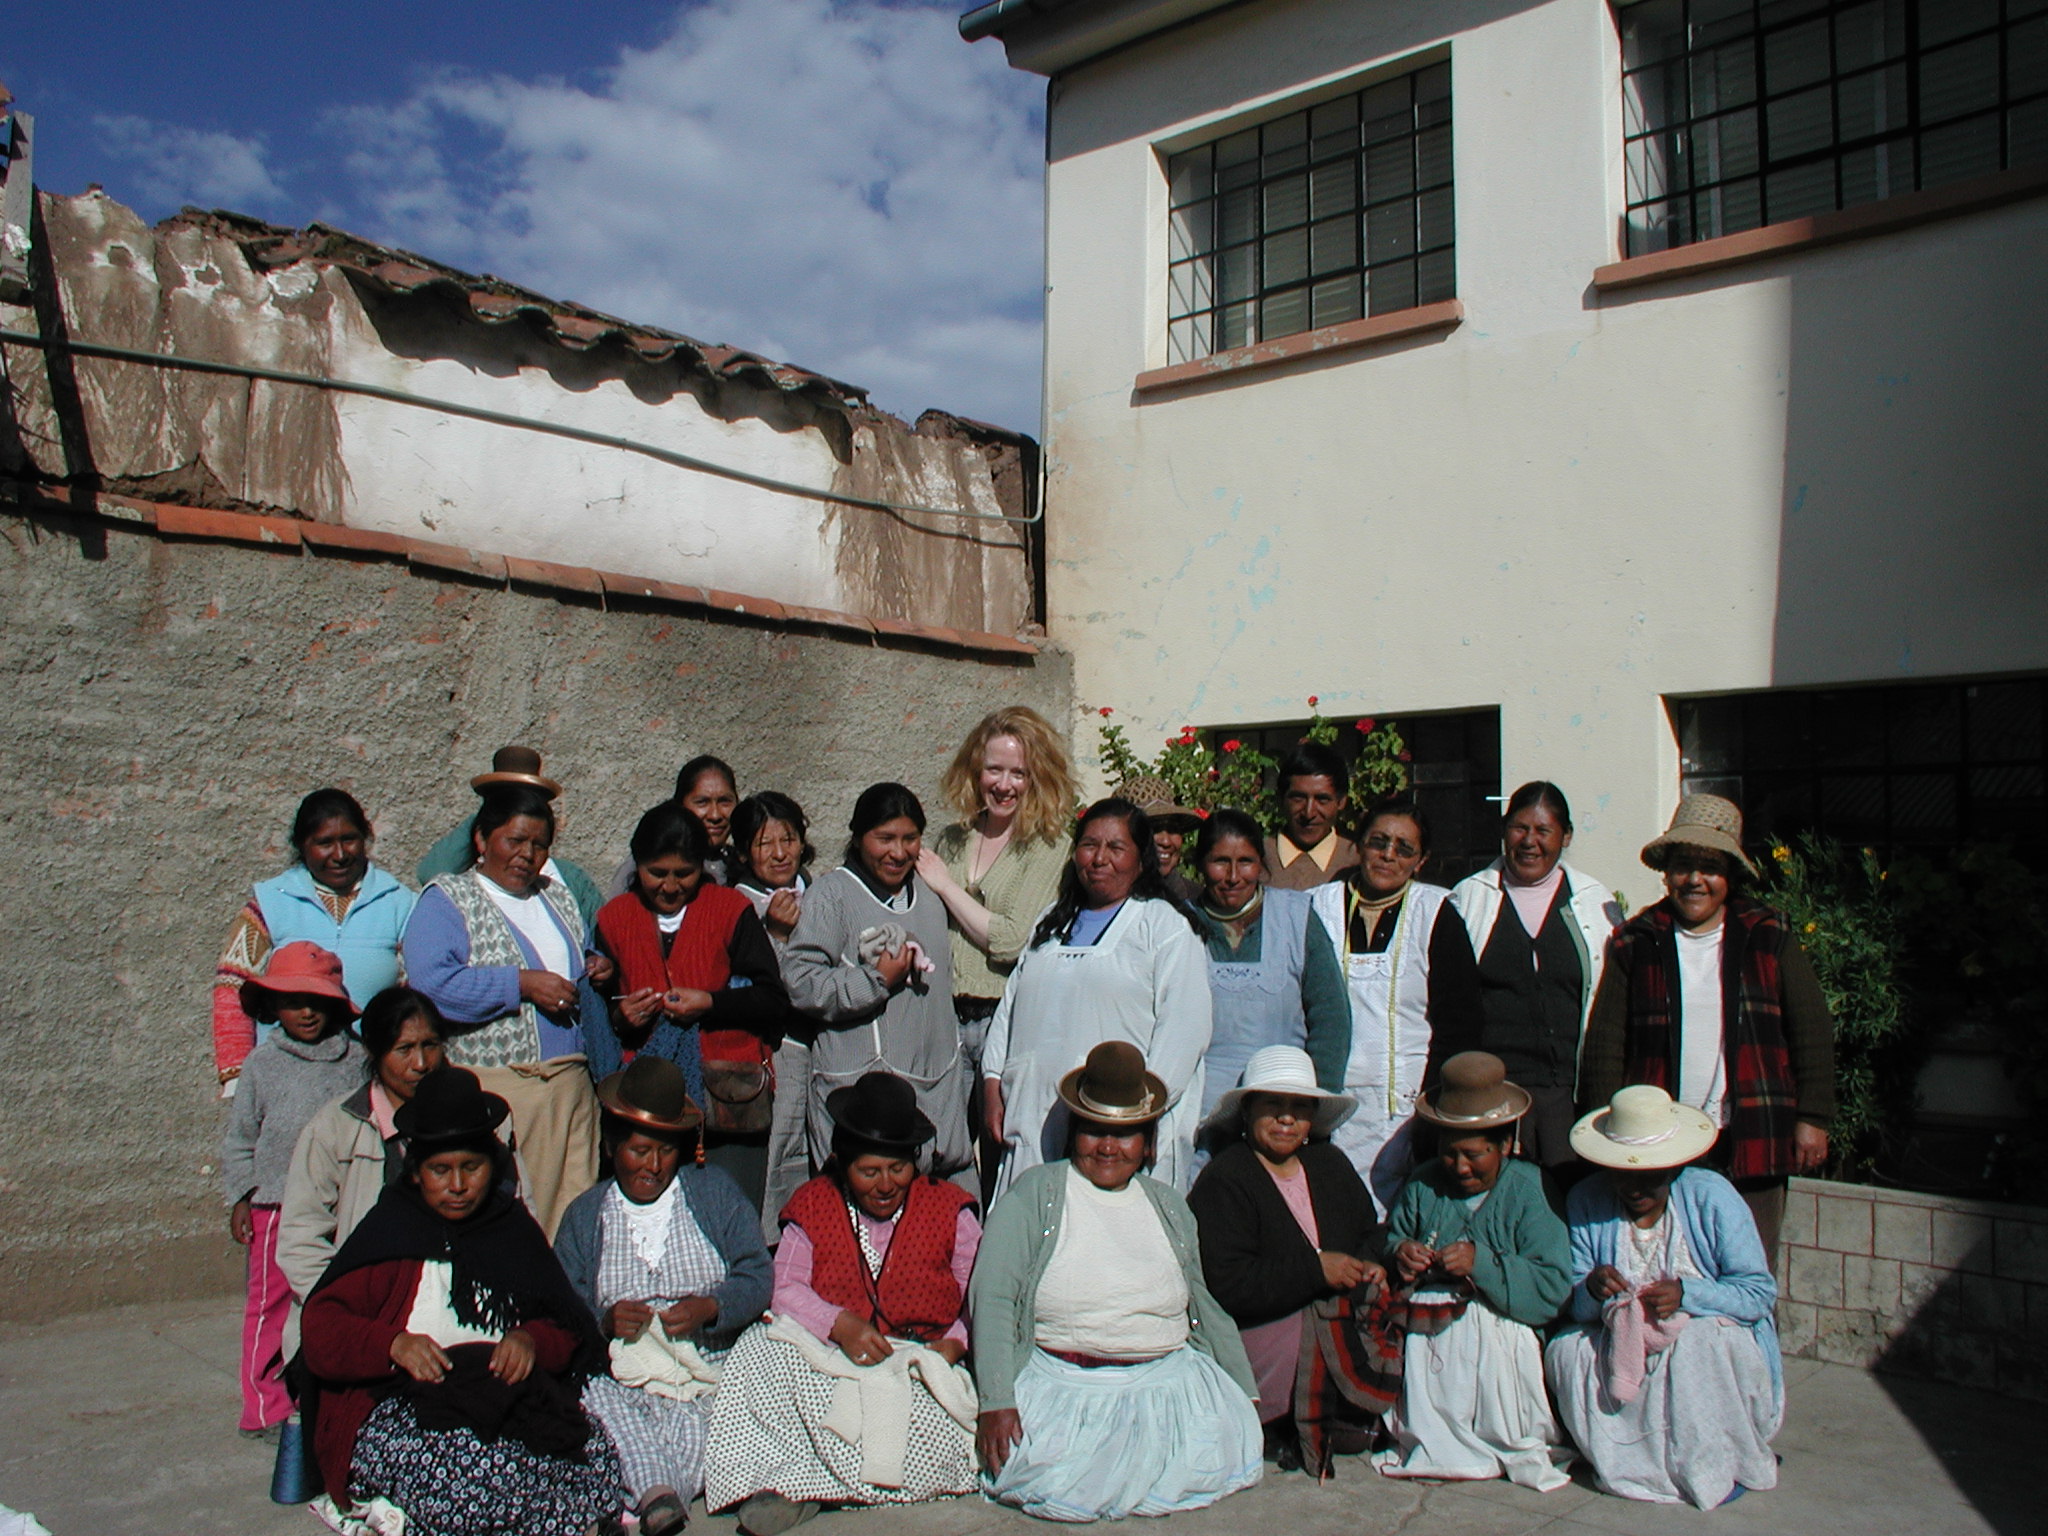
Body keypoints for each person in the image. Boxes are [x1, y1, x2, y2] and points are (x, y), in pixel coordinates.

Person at [296, 1067, 623, 1536]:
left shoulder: (511, 1229)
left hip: (502, 1397)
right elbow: (322, 1330)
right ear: (415, 1171)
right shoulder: (389, 1230)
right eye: (440, 1170)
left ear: (492, 1165)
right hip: (400, 1405)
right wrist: (391, 1345)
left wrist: (529, 1340)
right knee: (472, 1482)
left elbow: (565, 1322)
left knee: (595, 1456)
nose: (457, 1185)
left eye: (471, 1168)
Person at [972, 1042, 1262, 1522]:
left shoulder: (1168, 1205)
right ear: (1073, 1134)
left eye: (1125, 1135)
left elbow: (1203, 1304)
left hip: (1169, 1390)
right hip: (1067, 1391)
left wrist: (1243, 1391)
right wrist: (997, 1401)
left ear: (1147, 1142)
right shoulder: (1036, 1194)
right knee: (1054, 1479)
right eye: (1094, 1132)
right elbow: (995, 1296)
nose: (1109, 1147)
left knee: (1217, 1453)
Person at [707, 1072, 982, 1534]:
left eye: (898, 1169)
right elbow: (785, 1286)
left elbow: (979, 1296)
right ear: (841, 1162)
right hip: (833, 1357)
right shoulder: (814, 1202)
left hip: (920, 1363)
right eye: (868, 1171)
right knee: (759, 1347)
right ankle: (790, 1482)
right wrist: (839, 1324)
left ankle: (815, 1488)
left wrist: (954, 1344)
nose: (885, 1184)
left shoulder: (950, 1209)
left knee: (925, 1425)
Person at [1579, 794, 1836, 1264]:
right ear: (1666, 872)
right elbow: (1606, 1042)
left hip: (1750, 1134)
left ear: (1729, 877)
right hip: (1659, 1143)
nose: (1695, 880)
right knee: (1668, 1267)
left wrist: (1813, 1117)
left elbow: (1811, 1029)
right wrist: (1604, 1130)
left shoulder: (1766, 933)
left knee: (1748, 1268)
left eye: (1709, 867)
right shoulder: (1638, 940)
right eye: (1683, 865)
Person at [554, 1058, 774, 1536]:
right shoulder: (586, 1215)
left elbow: (757, 1274)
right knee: (596, 1400)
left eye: (665, 1152)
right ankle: (660, 1495)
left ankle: (660, 1491)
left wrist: (712, 1307)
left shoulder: (713, 1193)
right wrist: (604, 1320)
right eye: (639, 1150)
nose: (653, 1166)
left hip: (708, 1373)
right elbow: (562, 1306)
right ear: (612, 1146)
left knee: (727, 1404)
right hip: (626, 1383)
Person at [1546, 1085, 1782, 1509]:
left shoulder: (1712, 1197)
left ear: (1673, 1168)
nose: (1635, 1189)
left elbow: (1758, 1294)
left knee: (1696, 1344)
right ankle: (1627, 1460)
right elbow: (1573, 1304)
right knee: (1567, 1351)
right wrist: (1593, 1291)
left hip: (1703, 1336)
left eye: (1649, 1176)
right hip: (1623, 1338)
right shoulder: (1587, 1200)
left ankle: (1702, 1462)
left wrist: (1688, 1295)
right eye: (1623, 1174)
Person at [403, 783, 607, 1238]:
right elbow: (433, 984)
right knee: (514, 1220)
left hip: (571, 1087)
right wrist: (519, 984)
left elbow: (581, 952)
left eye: (538, 845)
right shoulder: (449, 899)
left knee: (573, 1220)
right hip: (505, 1088)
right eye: (514, 841)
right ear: (481, 840)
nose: (526, 855)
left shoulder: (556, 896)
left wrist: (597, 965)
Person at [981, 798, 1213, 1194]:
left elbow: (1184, 1030)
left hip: (1114, 1127)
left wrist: (1143, 1114)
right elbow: (1011, 1008)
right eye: (1089, 845)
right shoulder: (1051, 923)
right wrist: (992, 1082)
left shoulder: (1163, 927)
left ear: (1141, 861)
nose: (1099, 858)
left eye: (1116, 848)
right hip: (1031, 1111)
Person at [1373, 1053, 1572, 1490]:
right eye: (1449, 1153)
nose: (1460, 1167)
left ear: (1504, 1145)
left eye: (1474, 1154)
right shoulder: (1424, 1183)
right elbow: (1392, 1241)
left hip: (1503, 1338)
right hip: (1429, 1340)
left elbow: (1554, 1287)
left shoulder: (1530, 1189)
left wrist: (1482, 1263)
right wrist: (1400, 1252)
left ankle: (1489, 1437)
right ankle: (1435, 1435)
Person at [1187, 1046, 1381, 1477]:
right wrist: (1315, 1271)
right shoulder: (1225, 1178)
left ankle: (1350, 1412)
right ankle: (1282, 1421)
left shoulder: (1329, 1164)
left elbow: (1370, 1232)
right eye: (1273, 1105)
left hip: (1336, 1317)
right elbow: (1227, 1283)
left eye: (1298, 1107)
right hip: (1263, 1330)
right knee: (1305, 1327)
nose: (1286, 1118)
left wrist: (1370, 1263)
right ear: (1248, 1112)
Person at [594, 802, 789, 1209]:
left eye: (683, 874)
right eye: (656, 873)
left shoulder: (730, 911)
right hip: (644, 1100)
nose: (669, 886)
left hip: (726, 1096)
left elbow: (772, 999)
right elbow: (603, 1007)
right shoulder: (614, 919)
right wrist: (622, 1016)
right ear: (637, 866)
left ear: (701, 867)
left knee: (727, 1215)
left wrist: (711, 1003)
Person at [783, 784, 973, 1189]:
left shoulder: (929, 894)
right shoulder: (832, 895)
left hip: (934, 1090)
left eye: (910, 839)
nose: (898, 852)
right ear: (857, 836)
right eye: (884, 839)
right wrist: (874, 981)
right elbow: (800, 982)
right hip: (860, 1101)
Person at [916, 706, 1079, 1174]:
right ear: (975, 770)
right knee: (943, 1152)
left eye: (1018, 773)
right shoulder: (952, 839)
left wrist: (947, 886)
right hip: (945, 1015)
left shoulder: (1049, 845)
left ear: (1038, 777)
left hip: (1001, 1023)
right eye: (994, 769)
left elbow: (1010, 940)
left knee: (1000, 1154)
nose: (1004, 785)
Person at [221, 942, 369, 1438]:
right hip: (276, 1205)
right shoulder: (262, 1065)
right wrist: (242, 1195)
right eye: (292, 1000)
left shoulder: (359, 1062)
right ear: (271, 1006)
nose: (306, 1011)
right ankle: (265, 1407)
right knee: (270, 1306)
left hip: (345, 1205)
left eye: (318, 1000)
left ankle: (338, 1396)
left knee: (338, 1300)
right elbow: (241, 1137)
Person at [1309, 797, 1484, 1213]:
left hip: (1408, 1109)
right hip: (1329, 1102)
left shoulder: (1436, 912)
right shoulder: (1317, 907)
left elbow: (1459, 1021)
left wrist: (1434, 1108)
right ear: (1359, 846)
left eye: (1404, 848)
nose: (1389, 855)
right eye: (1379, 842)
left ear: (1420, 861)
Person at [1450, 782, 1623, 1174]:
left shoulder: (1594, 903)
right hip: (1493, 1096)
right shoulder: (1469, 899)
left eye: (1543, 831)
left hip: (1568, 1095)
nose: (1530, 841)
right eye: (1519, 828)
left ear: (1566, 837)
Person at [213, 788, 414, 1093]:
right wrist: (237, 1077)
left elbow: (419, 991)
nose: (340, 854)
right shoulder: (269, 903)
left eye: (349, 839)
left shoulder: (400, 903)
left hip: (370, 1079)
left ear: (366, 839)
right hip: (281, 1082)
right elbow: (232, 987)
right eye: (324, 843)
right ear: (301, 846)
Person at [278, 987, 448, 1327]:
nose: (420, 1064)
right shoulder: (333, 1129)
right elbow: (301, 1240)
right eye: (404, 1049)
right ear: (374, 1051)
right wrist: (348, 1312)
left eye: (430, 1046)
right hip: (359, 1314)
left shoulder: (481, 1122)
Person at [1191, 808, 1350, 1133]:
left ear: (1262, 865)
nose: (1233, 876)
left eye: (1246, 861)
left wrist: (1316, 1106)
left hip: (1283, 1113)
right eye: (1220, 861)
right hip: (1198, 1114)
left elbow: (1331, 1018)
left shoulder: (1296, 917)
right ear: (1200, 865)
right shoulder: (1180, 923)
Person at [729, 791, 819, 1244]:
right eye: (765, 844)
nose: (780, 853)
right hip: (777, 1052)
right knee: (778, 1156)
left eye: (789, 839)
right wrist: (775, 935)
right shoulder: (735, 907)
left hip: (826, 1052)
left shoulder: (822, 893)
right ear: (744, 851)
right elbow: (745, 989)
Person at [415, 746, 607, 933]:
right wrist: (491, 815)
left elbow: (597, 934)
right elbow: (431, 873)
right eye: (514, 840)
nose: (526, 853)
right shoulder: (460, 884)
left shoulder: (569, 880)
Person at [1263, 743, 1359, 891]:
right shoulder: (1255, 859)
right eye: (1298, 798)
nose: (1309, 813)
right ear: (1281, 799)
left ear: (1341, 802)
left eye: (1322, 800)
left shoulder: (1357, 862)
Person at [1112, 773, 1204, 904]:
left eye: (1173, 829)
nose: (1166, 841)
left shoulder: (1197, 902)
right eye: (1153, 829)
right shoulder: (1102, 901)